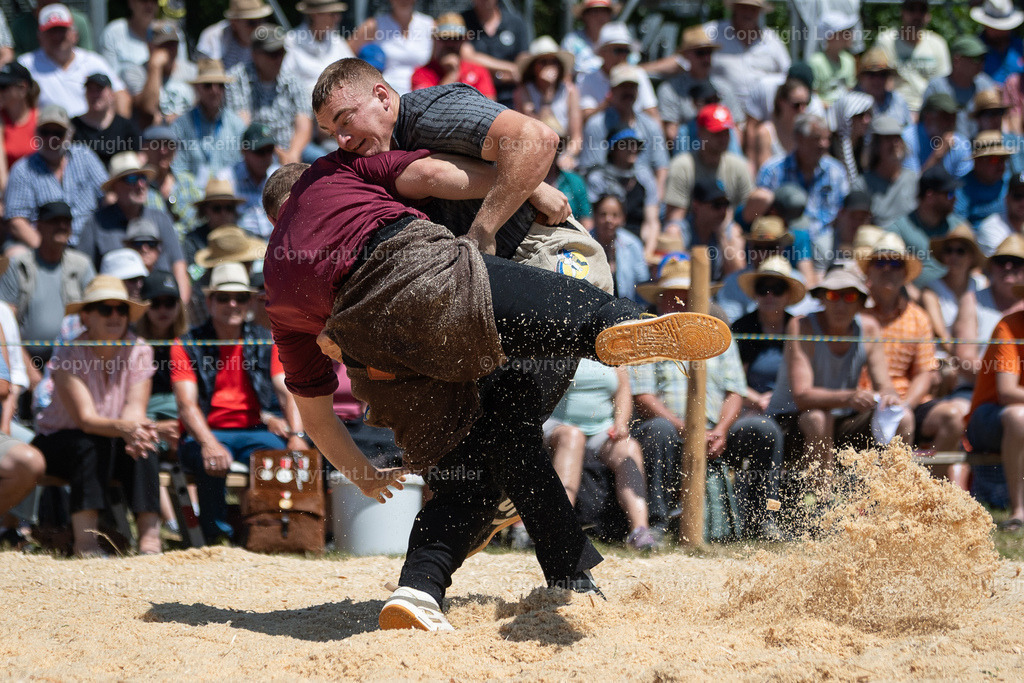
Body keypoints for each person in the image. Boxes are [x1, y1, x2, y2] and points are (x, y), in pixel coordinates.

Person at [262, 149, 730, 629]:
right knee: (531, 345)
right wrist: (534, 186)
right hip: (425, 290)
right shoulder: (335, 181)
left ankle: (421, 587)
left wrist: (361, 473)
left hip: (400, 381)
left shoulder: (278, 292)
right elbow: (435, 173)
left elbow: (315, 414)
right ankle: (621, 320)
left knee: (481, 455)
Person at [629, 258, 769, 536]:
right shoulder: (648, 337)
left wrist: (720, 430)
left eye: (687, 296)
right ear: (662, 301)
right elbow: (643, 397)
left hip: (716, 431)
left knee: (762, 430)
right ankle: (656, 523)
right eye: (673, 297)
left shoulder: (720, 336)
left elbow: (735, 392)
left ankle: (761, 517)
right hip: (671, 426)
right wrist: (686, 428)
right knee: (658, 430)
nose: (680, 303)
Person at [172, 262, 305, 543]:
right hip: (207, 431)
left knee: (286, 456)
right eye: (223, 297)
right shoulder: (185, 344)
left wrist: (297, 435)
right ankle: (213, 538)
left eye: (240, 297)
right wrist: (209, 443)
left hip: (253, 430)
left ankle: (276, 536)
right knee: (210, 458)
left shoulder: (266, 340)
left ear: (249, 302)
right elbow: (186, 405)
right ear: (209, 302)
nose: (232, 304)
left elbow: (286, 391)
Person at [32, 275, 160, 556]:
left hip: (111, 436)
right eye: (105, 308)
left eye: (121, 309)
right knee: (90, 444)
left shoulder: (140, 349)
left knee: (146, 445)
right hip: (58, 441)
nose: (115, 316)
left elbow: (135, 410)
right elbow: (85, 420)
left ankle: (151, 542)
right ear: (86, 317)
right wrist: (127, 428)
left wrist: (135, 433)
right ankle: (86, 544)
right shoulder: (68, 353)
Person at [766, 267, 906, 500]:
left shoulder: (869, 328)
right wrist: (850, 397)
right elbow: (802, 396)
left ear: (860, 303)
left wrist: (890, 397)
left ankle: (891, 503)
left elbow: (885, 385)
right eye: (832, 295)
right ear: (821, 298)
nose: (840, 304)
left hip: (839, 420)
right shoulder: (802, 326)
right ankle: (819, 503)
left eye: (849, 296)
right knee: (817, 418)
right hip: (789, 424)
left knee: (904, 417)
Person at [541, 358, 659, 551]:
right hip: (559, 425)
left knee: (629, 448)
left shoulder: (611, 352)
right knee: (573, 437)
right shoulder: (561, 348)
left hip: (601, 429)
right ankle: (560, 530)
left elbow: (623, 391)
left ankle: (640, 531)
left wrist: (621, 423)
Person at [730, 256, 804, 536]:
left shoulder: (800, 327)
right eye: (764, 288)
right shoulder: (743, 327)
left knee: (817, 425)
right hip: (751, 407)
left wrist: (784, 396)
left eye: (777, 288)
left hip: (794, 406)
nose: (770, 295)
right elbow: (733, 378)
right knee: (766, 430)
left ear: (788, 295)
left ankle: (815, 510)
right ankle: (765, 517)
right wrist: (757, 399)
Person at [76, 151, 189, 300]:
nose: (140, 185)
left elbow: (179, 266)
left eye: (143, 178)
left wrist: (180, 308)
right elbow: (82, 271)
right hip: (115, 310)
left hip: (160, 307)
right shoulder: (96, 223)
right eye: (132, 179)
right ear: (115, 186)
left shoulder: (161, 219)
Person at [0, 200, 94, 370]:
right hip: (26, 360)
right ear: (38, 226)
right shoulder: (18, 265)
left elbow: (95, 317)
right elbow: (6, 324)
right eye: (54, 221)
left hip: (74, 361)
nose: (61, 226)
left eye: (66, 221)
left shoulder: (82, 266)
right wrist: (29, 371)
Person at [964, 277, 1024, 531]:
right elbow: (1007, 392)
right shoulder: (1009, 327)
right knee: (1019, 416)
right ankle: (1019, 512)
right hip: (986, 420)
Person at [3, 105, 107, 251]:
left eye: (58, 133)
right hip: (42, 248)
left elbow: (108, 194)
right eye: (45, 133)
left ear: (70, 134)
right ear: (36, 134)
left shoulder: (85, 156)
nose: (51, 139)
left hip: (89, 244)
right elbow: (16, 221)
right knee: (15, 254)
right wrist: (49, 252)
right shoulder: (23, 169)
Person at [756, 113, 849, 257]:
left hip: (824, 243)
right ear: (799, 139)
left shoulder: (836, 172)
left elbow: (843, 215)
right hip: (784, 243)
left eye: (827, 139)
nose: (824, 144)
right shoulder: (773, 171)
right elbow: (760, 214)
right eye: (817, 138)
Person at [18, 4, 129, 118]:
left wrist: (117, 129)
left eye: (62, 30)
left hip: (90, 131)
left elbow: (120, 94)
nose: (57, 36)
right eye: (51, 31)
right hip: (49, 132)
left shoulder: (93, 61)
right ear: (40, 36)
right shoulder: (26, 64)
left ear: (74, 34)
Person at [578, 65, 668, 196]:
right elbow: (590, 168)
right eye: (623, 86)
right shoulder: (597, 124)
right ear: (611, 91)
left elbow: (661, 166)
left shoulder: (650, 125)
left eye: (632, 87)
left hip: (642, 192)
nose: (628, 92)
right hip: (605, 192)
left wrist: (656, 198)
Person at [656, 25, 742, 155]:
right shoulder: (670, 89)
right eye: (700, 53)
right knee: (683, 131)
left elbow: (737, 128)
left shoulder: (725, 88)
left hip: (722, 151)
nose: (706, 58)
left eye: (709, 52)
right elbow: (671, 133)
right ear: (686, 56)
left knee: (729, 132)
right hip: (690, 151)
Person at [664, 103, 752, 225]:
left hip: (729, 231)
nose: (723, 138)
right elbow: (674, 219)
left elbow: (749, 211)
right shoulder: (682, 166)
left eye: (726, 132)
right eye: (717, 133)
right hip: (691, 234)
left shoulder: (740, 166)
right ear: (700, 133)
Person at [887, 165, 968, 289]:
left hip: (953, 298)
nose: (955, 199)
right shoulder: (898, 231)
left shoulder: (958, 227)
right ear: (930, 196)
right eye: (949, 194)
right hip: (916, 301)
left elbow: (974, 267)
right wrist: (918, 297)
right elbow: (890, 272)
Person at [171, 59, 246, 186]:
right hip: (193, 194)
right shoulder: (181, 126)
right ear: (197, 88)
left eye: (220, 85)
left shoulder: (237, 125)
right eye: (208, 85)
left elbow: (242, 167)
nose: (214, 90)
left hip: (229, 194)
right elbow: (178, 168)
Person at [703, 0, 790, 107]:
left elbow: (788, 74)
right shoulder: (712, 32)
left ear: (760, 12)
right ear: (734, 8)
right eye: (744, 7)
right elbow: (686, 58)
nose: (748, 13)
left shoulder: (772, 40)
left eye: (754, 9)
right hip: (720, 112)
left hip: (763, 114)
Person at [584, 128, 660, 247]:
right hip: (603, 241)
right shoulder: (598, 178)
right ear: (613, 149)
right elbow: (590, 219)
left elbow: (652, 221)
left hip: (638, 243)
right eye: (626, 145)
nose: (633, 149)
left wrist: (647, 253)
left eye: (635, 145)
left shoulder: (645, 177)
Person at [875, 0, 952, 114]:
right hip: (894, 107)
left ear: (928, 15)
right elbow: (879, 80)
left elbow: (943, 85)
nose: (917, 15)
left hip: (930, 110)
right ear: (902, 12)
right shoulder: (886, 41)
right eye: (911, 9)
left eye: (922, 10)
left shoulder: (938, 43)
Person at [348, 0, 433, 97]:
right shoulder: (374, 25)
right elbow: (345, 53)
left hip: (424, 94)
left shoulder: (429, 25)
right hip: (385, 95)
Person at [122, 20, 196, 129]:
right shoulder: (136, 73)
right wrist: (155, 67)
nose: (170, 50)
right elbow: (149, 109)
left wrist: (181, 118)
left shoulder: (192, 71)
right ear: (150, 46)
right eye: (164, 45)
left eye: (173, 44)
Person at [513, 36, 577, 161]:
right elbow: (534, 131)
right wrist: (548, 93)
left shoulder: (570, 91)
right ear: (534, 67)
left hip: (563, 155)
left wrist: (568, 156)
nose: (549, 67)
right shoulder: (523, 92)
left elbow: (576, 137)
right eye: (543, 62)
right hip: (535, 154)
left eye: (553, 62)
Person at [578, 23, 658, 121]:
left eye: (626, 51)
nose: (622, 56)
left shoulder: (639, 74)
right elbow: (585, 119)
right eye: (618, 50)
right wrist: (609, 102)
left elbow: (652, 113)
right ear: (602, 52)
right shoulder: (587, 78)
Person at [923, 36, 998, 140]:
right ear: (956, 60)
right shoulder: (936, 87)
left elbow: (996, 120)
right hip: (945, 148)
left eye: (983, 58)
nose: (981, 63)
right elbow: (924, 124)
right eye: (975, 58)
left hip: (981, 148)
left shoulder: (985, 84)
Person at [460, 0, 530, 109]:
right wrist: (510, 68)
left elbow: (523, 62)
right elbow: (467, 56)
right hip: (474, 94)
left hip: (511, 95)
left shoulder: (516, 22)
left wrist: (498, 74)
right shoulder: (462, 21)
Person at [850, 116, 918, 227]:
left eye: (897, 138)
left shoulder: (914, 180)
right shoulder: (862, 185)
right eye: (887, 139)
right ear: (876, 145)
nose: (894, 143)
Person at [138, 125, 203, 239]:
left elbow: (200, 220)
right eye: (156, 145)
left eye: (169, 145)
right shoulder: (139, 186)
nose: (163, 151)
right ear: (144, 149)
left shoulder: (187, 181)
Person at [412, 14, 496, 101]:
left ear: (465, 39)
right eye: (445, 38)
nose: (450, 44)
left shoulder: (478, 70)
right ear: (435, 39)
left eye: (456, 39)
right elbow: (427, 108)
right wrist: (451, 74)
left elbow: (490, 107)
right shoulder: (421, 73)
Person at [283, 0, 355, 102]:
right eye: (332, 14)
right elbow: (285, 80)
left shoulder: (338, 42)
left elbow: (354, 73)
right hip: (303, 107)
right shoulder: (291, 42)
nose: (338, 18)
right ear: (315, 15)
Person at [72, 73, 141, 168]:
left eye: (99, 90)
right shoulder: (73, 126)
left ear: (111, 94)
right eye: (90, 90)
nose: (94, 95)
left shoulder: (125, 126)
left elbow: (139, 156)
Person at [747, 78, 812, 176]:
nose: (802, 110)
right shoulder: (766, 132)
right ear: (781, 102)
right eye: (796, 105)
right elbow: (765, 173)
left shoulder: (806, 133)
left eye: (806, 104)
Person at [590, 194, 648, 303]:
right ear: (594, 216)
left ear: (623, 218)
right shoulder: (585, 242)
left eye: (615, 215)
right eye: (603, 214)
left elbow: (642, 284)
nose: (608, 219)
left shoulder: (633, 244)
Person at [903, 92, 974, 179]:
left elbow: (963, 186)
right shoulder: (908, 139)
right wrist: (937, 156)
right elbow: (911, 187)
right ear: (928, 118)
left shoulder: (961, 143)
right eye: (946, 117)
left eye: (954, 117)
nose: (951, 123)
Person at [196, 0, 273, 72]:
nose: (258, 27)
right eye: (251, 22)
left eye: (261, 21)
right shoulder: (214, 37)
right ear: (234, 22)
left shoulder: (269, 40)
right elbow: (210, 78)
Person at [957, 131, 1012, 228]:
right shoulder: (962, 189)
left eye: (1003, 158)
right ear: (977, 161)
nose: (1001, 165)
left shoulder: (1011, 183)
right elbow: (959, 225)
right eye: (994, 159)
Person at [232, 123, 278, 238]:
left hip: (275, 244)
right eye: (260, 151)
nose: (267, 157)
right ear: (244, 151)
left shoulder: (280, 177)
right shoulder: (228, 178)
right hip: (242, 246)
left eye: (270, 150)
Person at [0, 62, 40, 192]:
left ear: (23, 88)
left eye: (3, 86)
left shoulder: (41, 120)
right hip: (8, 194)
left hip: (38, 190)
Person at [854, 47, 912, 129]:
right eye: (871, 75)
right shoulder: (853, 104)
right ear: (861, 78)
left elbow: (908, 132)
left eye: (883, 74)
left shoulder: (898, 101)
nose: (877, 80)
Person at [809, 12, 858, 106]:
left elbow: (849, 90)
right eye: (845, 32)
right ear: (830, 37)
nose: (850, 35)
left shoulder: (849, 60)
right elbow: (813, 96)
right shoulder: (816, 62)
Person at [561, 0, 616, 80]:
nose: (600, 16)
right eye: (595, 11)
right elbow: (565, 74)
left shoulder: (618, 41)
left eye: (605, 11)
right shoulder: (571, 41)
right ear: (584, 16)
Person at [972, 0, 1024, 85]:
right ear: (985, 25)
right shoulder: (974, 51)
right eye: (995, 28)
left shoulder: (1020, 47)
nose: (1000, 32)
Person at [828, 90, 874, 184]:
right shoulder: (829, 146)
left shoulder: (868, 145)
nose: (866, 120)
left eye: (869, 114)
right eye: (861, 115)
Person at [979, 171, 1024, 256]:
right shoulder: (991, 228)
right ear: (1007, 198)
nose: (1023, 202)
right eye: (1018, 196)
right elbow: (1008, 264)